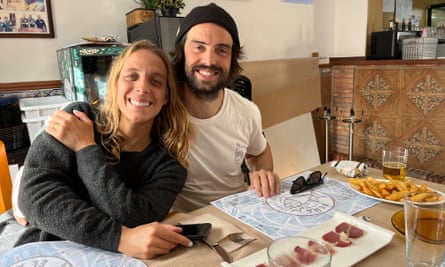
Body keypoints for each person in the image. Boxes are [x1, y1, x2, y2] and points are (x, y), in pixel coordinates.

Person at [13, 40, 194, 259]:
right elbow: (36, 199)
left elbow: (134, 217)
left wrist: (85, 148)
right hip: (48, 252)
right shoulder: (78, 118)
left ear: (166, 96)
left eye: (156, 81)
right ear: (115, 84)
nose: (143, 87)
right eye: (132, 76)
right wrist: (119, 237)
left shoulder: (170, 165)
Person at [171, 3, 280, 212]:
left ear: (232, 58)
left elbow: (259, 153)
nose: (209, 60)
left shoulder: (246, 111)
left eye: (221, 50)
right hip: (184, 225)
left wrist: (262, 175)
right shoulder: (161, 109)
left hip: (238, 216)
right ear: (181, 51)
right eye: (199, 47)